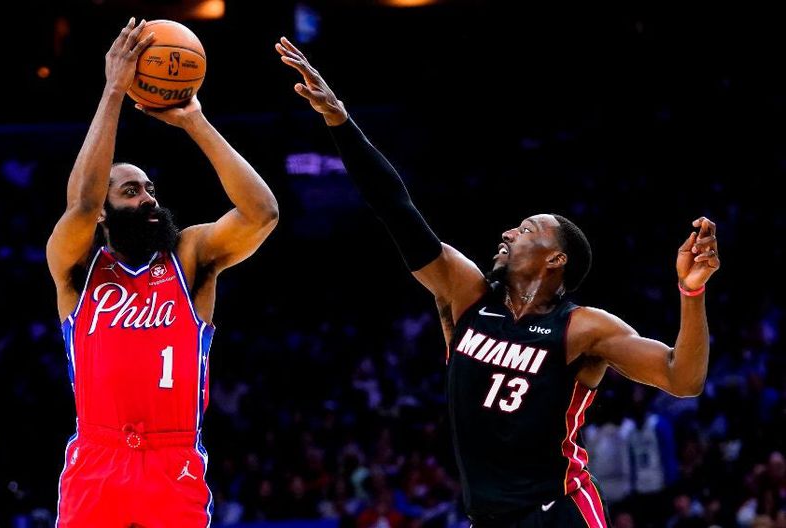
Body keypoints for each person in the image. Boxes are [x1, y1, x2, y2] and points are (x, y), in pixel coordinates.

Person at [276, 36, 720, 527]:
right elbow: (396, 209)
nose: (508, 232)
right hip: (487, 517)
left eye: (526, 229)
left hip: (559, 511)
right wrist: (340, 119)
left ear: (555, 259)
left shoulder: (582, 328)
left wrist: (692, 291)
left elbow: (683, 379)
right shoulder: (466, 294)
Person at [46, 18, 278, 526]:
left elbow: (262, 212)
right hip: (97, 459)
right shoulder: (78, 267)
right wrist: (113, 91)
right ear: (105, 211)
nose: (148, 198)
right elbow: (82, 203)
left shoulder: (189, 257)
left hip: (173, 462)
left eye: (150, 189)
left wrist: (195, 122)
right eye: (131, 191)